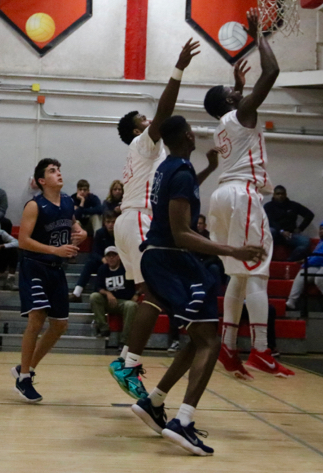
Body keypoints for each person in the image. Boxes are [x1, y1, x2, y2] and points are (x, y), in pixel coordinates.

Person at [130, 115, 264, 456]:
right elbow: (182, 233)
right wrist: (234, 250)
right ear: (189, 135)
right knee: (210, 341)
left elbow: (180, 199)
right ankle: (183, 422)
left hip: (161, 258)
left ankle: (154, 402)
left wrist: (208, 168)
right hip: (171, 259)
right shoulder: (181, 171)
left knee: (198, 336)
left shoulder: (168, 167)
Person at [109, 39, 217, 400]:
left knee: (149, 292)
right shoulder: (143, 143)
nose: (151, 121)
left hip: (132, 221)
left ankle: (128, 360)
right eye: (145, 120)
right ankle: (128, 361)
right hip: (140, 220)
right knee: (153, 293)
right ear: (139, 130)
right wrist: (178, 68)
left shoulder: (154, 159)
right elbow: (167, 112)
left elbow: (179, 196)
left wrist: (206, 170)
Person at [204, 8, 294, 379]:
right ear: (230, 101)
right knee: (256, 274)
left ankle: (227, 346)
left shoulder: (222, 125)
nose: (238, 91)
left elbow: (233, 102)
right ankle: (260, 350)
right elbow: (272, 73)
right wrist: (261, 37)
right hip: (242, 195)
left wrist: (234, 84)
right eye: (233, 92)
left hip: (222, 195)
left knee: (238, 276)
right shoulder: (240, 113)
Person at [11, 158, 87, 403]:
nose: (59, 174)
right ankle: (24, 379)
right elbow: (22, 241)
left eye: (59, 170)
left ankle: (27, 368)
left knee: (60, 325)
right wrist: (54, 250)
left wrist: (81, 231)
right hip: (34, 267)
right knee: (37, 317)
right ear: (42, 181)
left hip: (56, 269)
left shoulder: (67, 202)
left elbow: (74, 225)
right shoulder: (34, 206)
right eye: (52, 171)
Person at [286, 219, 323, 313]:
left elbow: (321, 256)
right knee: (303, 273)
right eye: (320, 229)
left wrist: (306, 263)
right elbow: (317, 256)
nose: (320, 231)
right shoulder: (322, 242)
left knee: (320, 276)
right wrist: (306, 263)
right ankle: (291, 302)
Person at [89, 246, 138, 346]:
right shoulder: (102, 269)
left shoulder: (126, 268)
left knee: (131, 305)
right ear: (105, 258)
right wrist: (108, 293)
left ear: (119, 257)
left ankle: (124, 341)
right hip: (108, 302)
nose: (111, 258)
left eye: (114, 255)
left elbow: (141, 282)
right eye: (109, 256)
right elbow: (98, 287)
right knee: (94, 296)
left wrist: (137, 294)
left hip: (123, 302)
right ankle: (104, 328)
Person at [69, 210, 117, 302]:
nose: (110, 224)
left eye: (113, 222)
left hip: (118, 263)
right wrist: (102, 259)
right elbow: (94, 252)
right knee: (90, 263)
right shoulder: (100, 233)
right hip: (103, 263)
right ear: (104, 222)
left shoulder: (121, 233)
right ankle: (77, 293)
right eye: (108, 222)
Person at [264, 185, 314, 260]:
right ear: (274, 195)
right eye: (278, 194)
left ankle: (290, 260)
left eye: (282, 193)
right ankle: (265, 259)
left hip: (290, 235)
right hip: (275, 234)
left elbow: (309, 215)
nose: (280, 196)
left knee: (305, 241)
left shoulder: (293, 205)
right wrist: (281, 231)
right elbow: (269, 221)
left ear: (286, 194)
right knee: (270, 231)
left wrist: (300, 228)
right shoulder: (268, 206)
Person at [0, 223, 19, 291]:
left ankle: (10, 280)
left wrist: (3, 246)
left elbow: (17, 242)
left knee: (12, 250)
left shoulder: (1, 233)